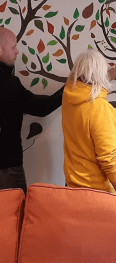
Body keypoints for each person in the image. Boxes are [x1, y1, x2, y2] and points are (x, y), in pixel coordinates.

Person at [0, 27, 64, 194]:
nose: (17, 52)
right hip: (6, 168)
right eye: (13, 47)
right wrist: (70, 88)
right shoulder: (8, 84)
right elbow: (40, 108)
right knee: (14, 215)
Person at [62, 49, 116, 198]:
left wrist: (107, 76)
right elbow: (110, 161)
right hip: (97, 194)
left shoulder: (69, 100)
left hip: (73, 187)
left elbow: (87, 85)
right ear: (99, 75)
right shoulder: (100, 109)